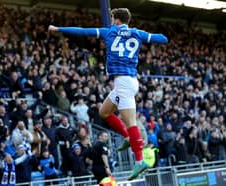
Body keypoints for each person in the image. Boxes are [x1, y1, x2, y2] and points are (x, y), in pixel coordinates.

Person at [48, 8, 168, 180]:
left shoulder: (109, 32)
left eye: (113, 18)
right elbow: (163, 39)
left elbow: (83, 31)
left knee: (131, 123)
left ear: (117, 20)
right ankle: (127, 137)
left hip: (123, 84)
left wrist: (59, 29)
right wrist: (153, 36)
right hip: (130, 82)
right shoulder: (137, 33)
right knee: (104, 112)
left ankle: (140, 160)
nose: (111, 21)